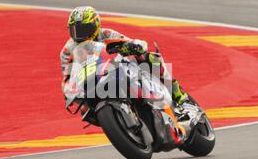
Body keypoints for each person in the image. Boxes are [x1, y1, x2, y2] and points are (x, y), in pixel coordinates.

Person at [60, 6, 189, 106]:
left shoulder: (106, 34)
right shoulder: (67, 50)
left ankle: (177, 92)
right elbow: (67, 77)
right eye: (74, 30)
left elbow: (130, 42)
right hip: (91, 81)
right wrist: (69, 90)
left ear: (95, 26)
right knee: (82, 107)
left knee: (151, 59)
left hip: (115, 68)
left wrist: (134, 46)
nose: (78, 35)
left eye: (83, 30)